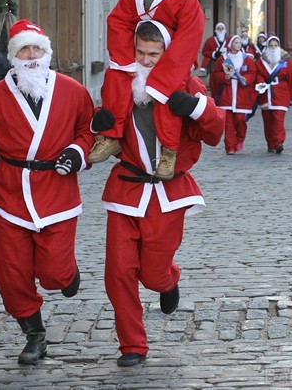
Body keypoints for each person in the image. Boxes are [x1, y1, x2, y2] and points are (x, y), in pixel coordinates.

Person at [0, 19, 95, 366]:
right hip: (11, 196)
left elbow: (87, 130)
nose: (31, 56)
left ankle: (67, 274)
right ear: (13, 56)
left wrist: (77, 152)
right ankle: (35, 335)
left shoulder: (73, 90)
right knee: (11, 273)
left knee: (55, 273)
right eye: (24, 50)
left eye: (37, 49)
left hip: (58, 194)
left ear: (47, 53)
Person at [95, 20, 224, 367]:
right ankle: (132, 346)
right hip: (126, 190)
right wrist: (99, 121)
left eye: (155, 54)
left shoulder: (188, 84)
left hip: (168, 194)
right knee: (118, 272)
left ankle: (168, 281)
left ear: (167, 54)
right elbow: (102, 125)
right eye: (141, 53)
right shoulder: (121, 85)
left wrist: (196, 107)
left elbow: (215, 132)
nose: (147, 60)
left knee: (152, 273)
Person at [88, 0, 205, 181]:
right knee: (115, 80)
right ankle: (111, 136)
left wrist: (167, 71)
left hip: (170, 59)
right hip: (138, 54)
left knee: (167, 99)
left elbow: (189, 37)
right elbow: (117, 20)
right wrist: (124, 60)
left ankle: (169, 151)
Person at [210, 35, 257, 155]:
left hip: (242, 93)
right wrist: (224, 77)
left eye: (240, 43)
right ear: (230, 44)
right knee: (228, 123)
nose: (238, 45)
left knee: (240, 120)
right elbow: (215, 75)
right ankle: (230, 146)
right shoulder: (223, 58)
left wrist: (246, 79)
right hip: (227, 93)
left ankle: (240, 139)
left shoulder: (246, 59)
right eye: (236, 42)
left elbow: (252, 73)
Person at [253, 35, 292, 153]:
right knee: (268, 121)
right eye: (271, 46)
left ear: (279, 46)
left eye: (275, 45)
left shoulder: (285, 61)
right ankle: (271, 143)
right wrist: (260, 82)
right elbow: (257, 75)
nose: (273, 48)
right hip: (265, 94)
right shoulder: (260, 61)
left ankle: (278, 142)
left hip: (281, 93)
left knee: (278, 119)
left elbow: (291, 79)